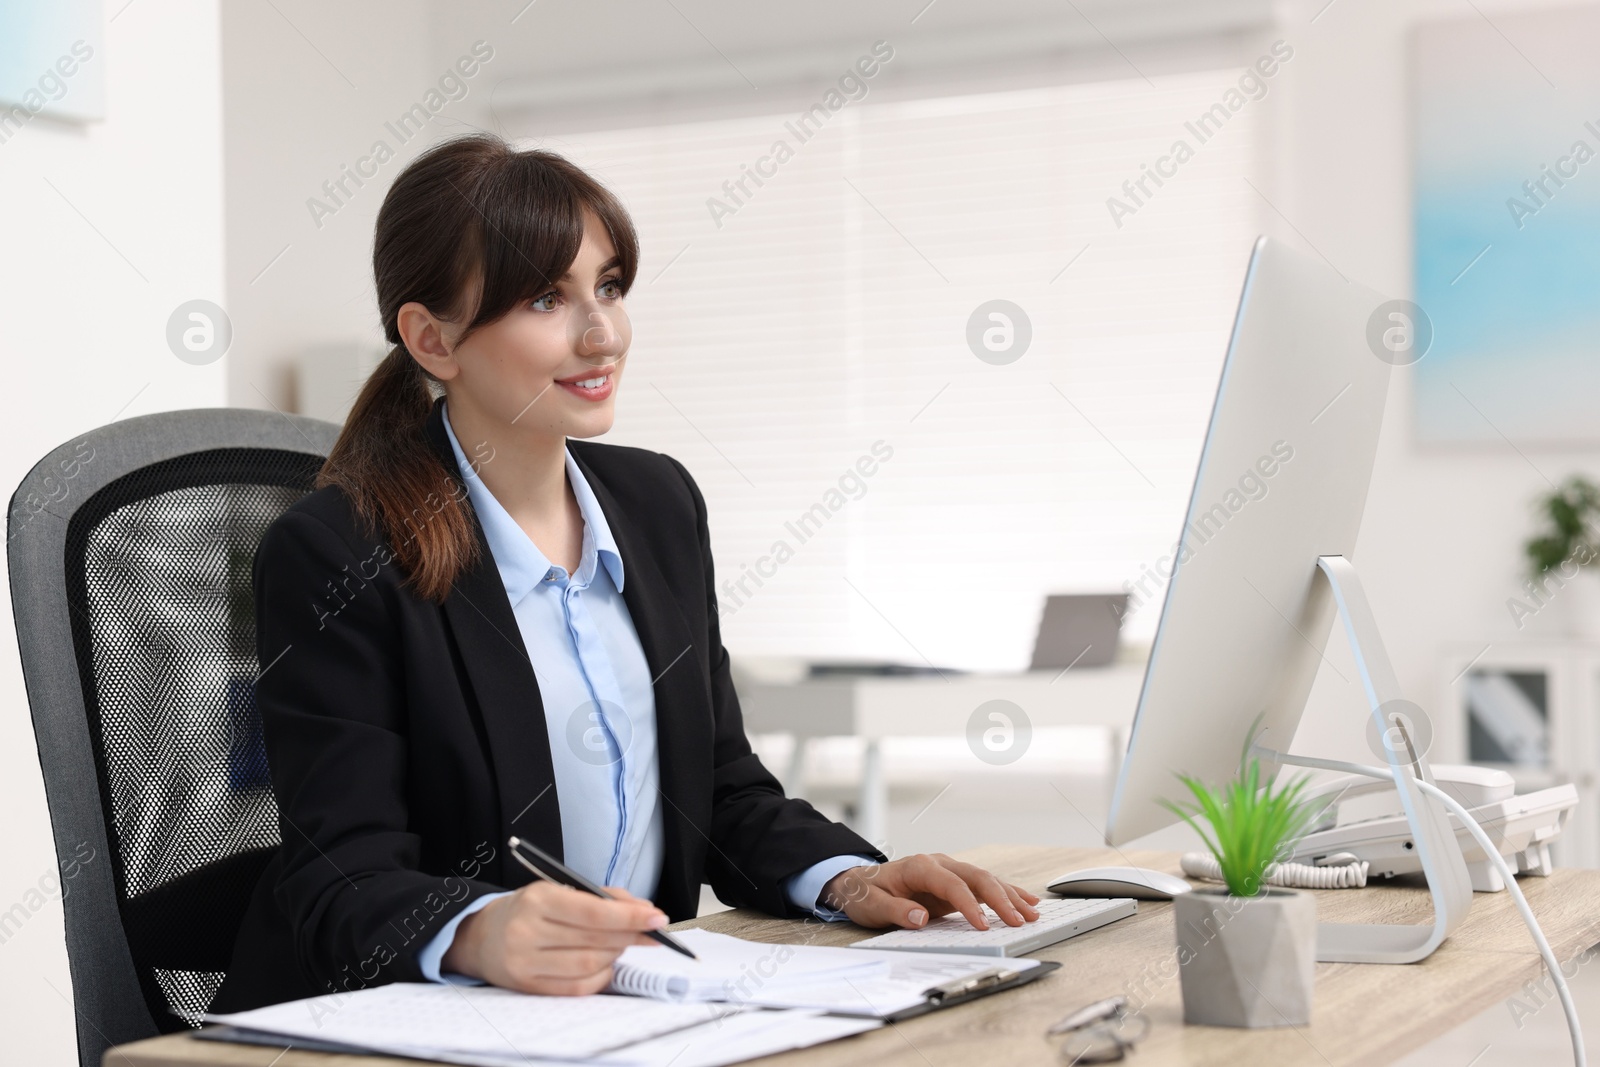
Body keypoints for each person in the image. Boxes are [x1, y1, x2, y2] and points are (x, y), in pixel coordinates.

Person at [212, 134, 1039, 1010]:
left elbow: (720, 791)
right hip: (405, 1028)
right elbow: (340, 878)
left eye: (608, 287)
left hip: (631, 1011)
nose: (602, 332)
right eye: (545, 298)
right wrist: (479, 928)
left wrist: (843, 876)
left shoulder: (657, 504)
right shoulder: (341, 551)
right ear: (433, 338)